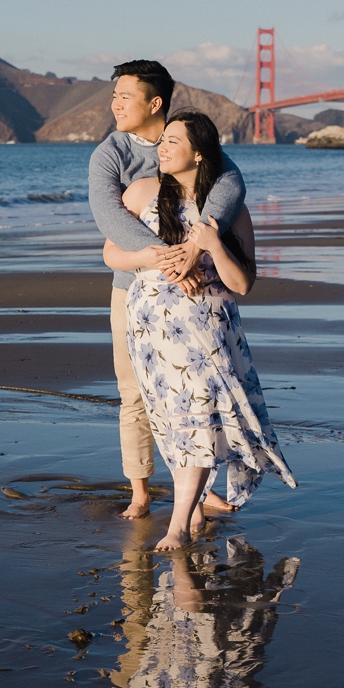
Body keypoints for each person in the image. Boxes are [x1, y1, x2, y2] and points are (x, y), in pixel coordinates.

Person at [103, 110, 297, 551]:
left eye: (173, 141)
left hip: (205, 330)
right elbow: (111, 253)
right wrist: (152, 258)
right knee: (172, 423)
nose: (162, 147)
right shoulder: (141, 191)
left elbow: (243, 283)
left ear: (199, 153)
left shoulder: (232, 213)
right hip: (151, 329)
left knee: (198, 417)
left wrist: (211, 246)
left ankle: (176, 525)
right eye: (162, 140)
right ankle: (189, 511)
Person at [89, 61, 247, 521]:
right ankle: (140, 490)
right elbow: (109, 219)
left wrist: (196, 251)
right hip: (133, 291)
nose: (114, 105)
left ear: (153, 103)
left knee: (199, 393)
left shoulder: (185, 139)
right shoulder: (109, 154)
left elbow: (229, 184)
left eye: (124, 97)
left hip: (197, 295)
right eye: (113, 97)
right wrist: (172, 257)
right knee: (135, 392)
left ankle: (197, 491)